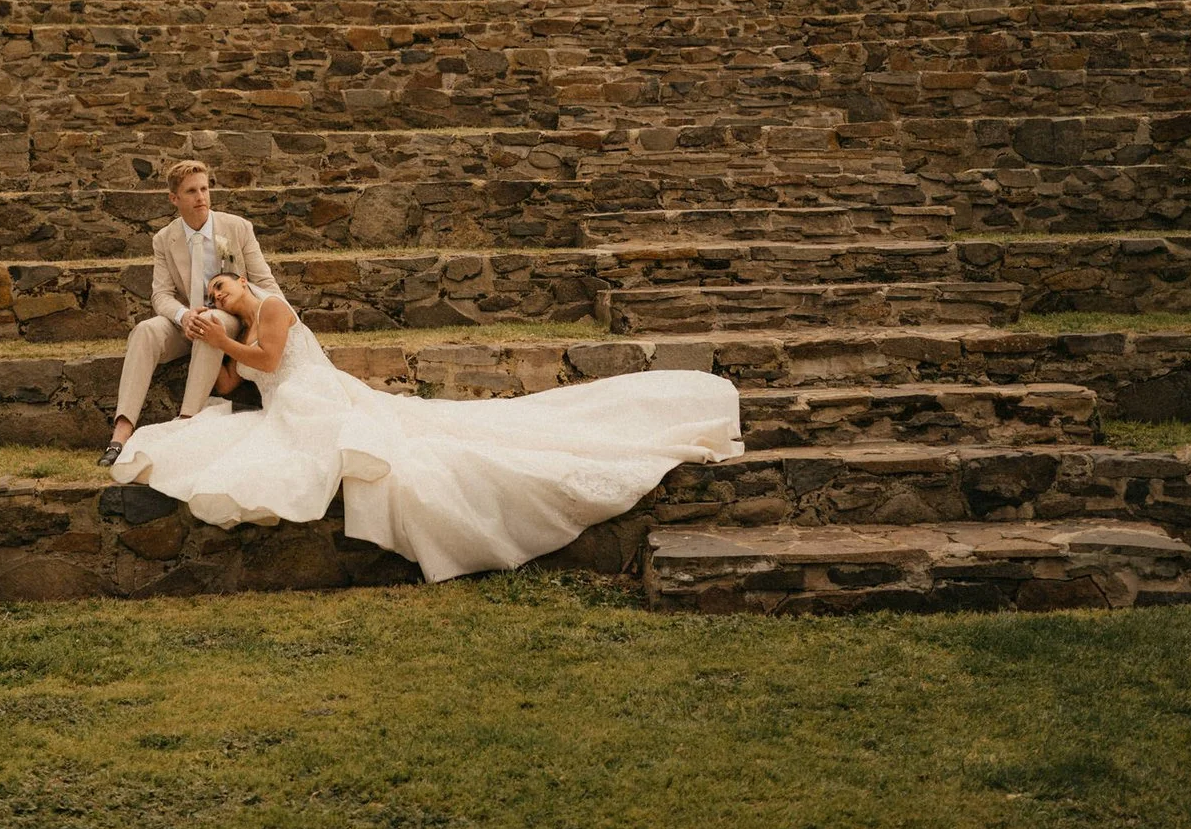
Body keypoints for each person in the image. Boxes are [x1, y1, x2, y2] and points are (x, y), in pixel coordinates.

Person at [109, 274, 744, 583]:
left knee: (377, 446)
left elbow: (272, 362)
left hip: (313, 394)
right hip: (281, 403)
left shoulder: (272, 308)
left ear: (243, 282)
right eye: (212, 296)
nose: (220, 296)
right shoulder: (232, 331)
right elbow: (231, 385)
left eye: (224, 287)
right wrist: (211, 343)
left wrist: (229, 338)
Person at [98, 159, 282, 469]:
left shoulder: (235, 228)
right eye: (191, 191)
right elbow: (161, 294)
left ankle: (187, 421)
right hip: (185, 321)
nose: (201, 197)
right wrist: (183, 316)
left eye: (205, 189)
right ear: (174, 199)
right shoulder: (164, 239)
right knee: (146, 330)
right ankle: (122, 430)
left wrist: (267, 323)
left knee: (211, 321)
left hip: (229, 319)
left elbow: (265, 284)